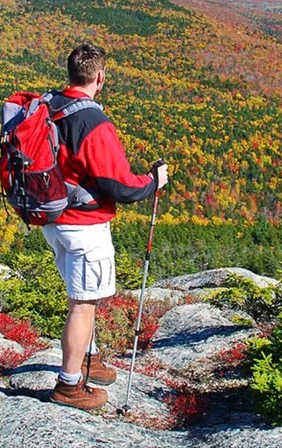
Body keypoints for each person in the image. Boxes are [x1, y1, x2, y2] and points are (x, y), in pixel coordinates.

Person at [42, 43, 169, 411]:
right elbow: (120, 186)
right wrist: (152, 181)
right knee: (83, 304)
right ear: (100, 77)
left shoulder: (52, 106)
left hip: (55, 220)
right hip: (84, 226)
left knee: (83, 297)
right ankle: (68, 385)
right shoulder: (92, 122)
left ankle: (89, 360)